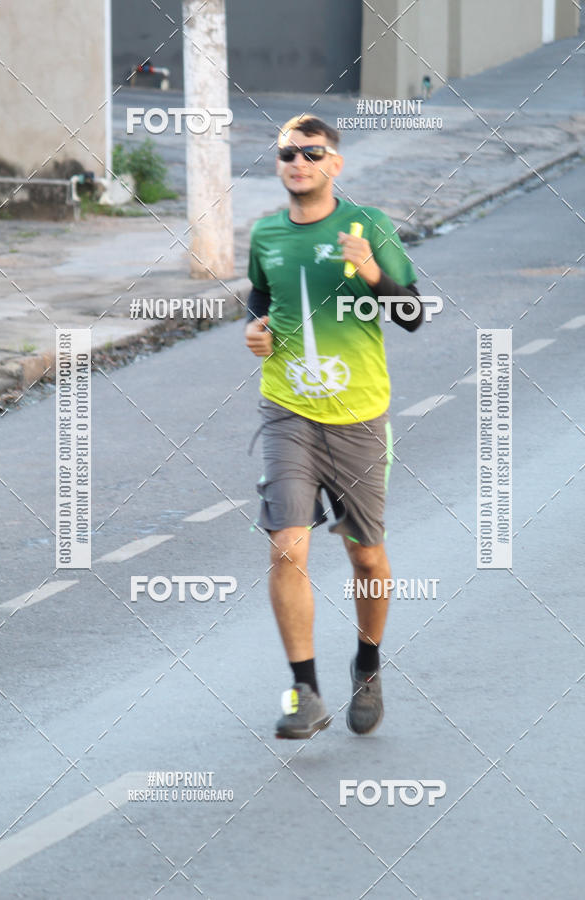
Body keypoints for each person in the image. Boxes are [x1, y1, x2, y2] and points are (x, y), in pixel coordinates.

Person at [245, 114, 422, 740]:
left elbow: (413, 315)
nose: (297, 162)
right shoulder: (265, 232)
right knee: (286, 546)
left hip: (358, 419)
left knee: (366, 558)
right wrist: (256, 330)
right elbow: (261, 298)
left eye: (311, 152)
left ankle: (367, 665)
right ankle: (306, 691)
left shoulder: (367, 225)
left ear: (334, 164)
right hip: (287, 411)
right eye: (287, 153)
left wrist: (373, 274)